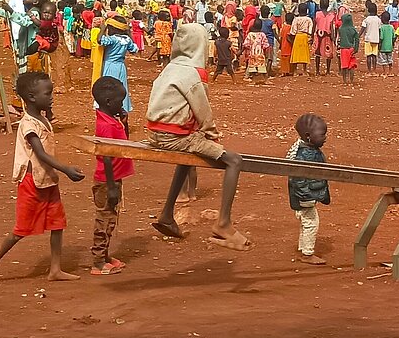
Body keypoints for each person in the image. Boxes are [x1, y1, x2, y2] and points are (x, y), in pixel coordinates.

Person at [146, 24, 251, 251]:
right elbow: (203, 111)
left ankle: (166, 214)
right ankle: (223, 223)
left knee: (187, 157)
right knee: (234, 160)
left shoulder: (170, 67)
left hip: (156, 132)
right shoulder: (193, 73)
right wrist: (212, 135)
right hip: (174, 136)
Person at [0, 72, 84, 286]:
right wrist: (66, 169)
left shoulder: (43, 119)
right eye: (47, 93)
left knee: (58, 224)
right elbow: (40, 153)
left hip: (47, 179)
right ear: (31, 97)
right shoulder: (28, 124)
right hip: (32, 182)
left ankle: (55, 269)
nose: (52, 97)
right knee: (22, 229)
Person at [88, 77, 134, 275]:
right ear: (108, 102)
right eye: (119, 101)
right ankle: (98, 261)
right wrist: (112, 186)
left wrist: (124, 124)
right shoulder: (105, 126)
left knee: (110, 219)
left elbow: (125, 145)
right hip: (107, 180)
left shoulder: (111, 121)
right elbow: (106, 156)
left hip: (114, 177)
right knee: (104, 219)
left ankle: (104, 256)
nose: (122, 105)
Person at [287, 113, 331, 265]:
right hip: (305, 196)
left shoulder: (306, 149)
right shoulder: (303, 155)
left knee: (306, 221)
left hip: (306, 194)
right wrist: (307, 197)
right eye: (322, 135)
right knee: (312, 222)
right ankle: (307, 254)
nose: (325, 138)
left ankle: (302, 249)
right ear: (308, 136)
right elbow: (298, 180)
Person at [99, 16, 139, 112]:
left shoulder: (112, 39)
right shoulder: (126, 40)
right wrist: (129, 33)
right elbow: (134, 49)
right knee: (121, 88)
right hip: (121, 67)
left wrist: (102, 29)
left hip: (109, 66)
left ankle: (108, 110)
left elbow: (100, 40)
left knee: (108, 89)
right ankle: (122, 109)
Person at [313, 0, 336, 76]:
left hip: (319, 35)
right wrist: (333, 36)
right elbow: (332, 27)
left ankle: (317, 71)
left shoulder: (317, 14)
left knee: (317, 53)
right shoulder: (331, 15)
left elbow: (314, 25)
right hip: (328, 35)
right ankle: (328, 71)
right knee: (328, 53)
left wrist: (312, 35)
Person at [289, 4, 314, 76]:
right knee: (305, 54)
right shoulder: (309, 19)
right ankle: (305, 71)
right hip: (305, 36)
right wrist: (310, 37)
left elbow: (293, 30)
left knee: (296, 54)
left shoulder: (296, 19)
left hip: (298, 36)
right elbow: (310, 30)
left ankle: (295, 71)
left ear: (298, 11)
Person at [242, 20, 270, 85]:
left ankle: (253, 81)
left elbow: (246, 44)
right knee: (262, 67)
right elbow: (265, 45)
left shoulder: (250, 34)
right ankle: (266, 80)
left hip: (252, 53)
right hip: (260, 53)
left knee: (252, 68)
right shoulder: (262, 34)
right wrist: (266, 53)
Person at [359, 2, 382, 73]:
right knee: (374, 56)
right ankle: (374, 70)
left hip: (368, 40)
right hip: (376, 39)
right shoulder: (378, 19)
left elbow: (362, 29)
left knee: (368, 56)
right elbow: (380, 29)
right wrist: (380, 39)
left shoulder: (366, 20)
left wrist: (358, 36)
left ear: (368, 10)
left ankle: (369, 70)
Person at [377, 11, 395, 76]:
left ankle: (385, 72)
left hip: (383, 47)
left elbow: (381, 37)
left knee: (383, 60)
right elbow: (394, 37)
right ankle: (390, 72)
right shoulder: (391, 27)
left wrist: (379, 45)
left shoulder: (381, 28)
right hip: (390, 46)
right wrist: (393, 44)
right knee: (390, 59)